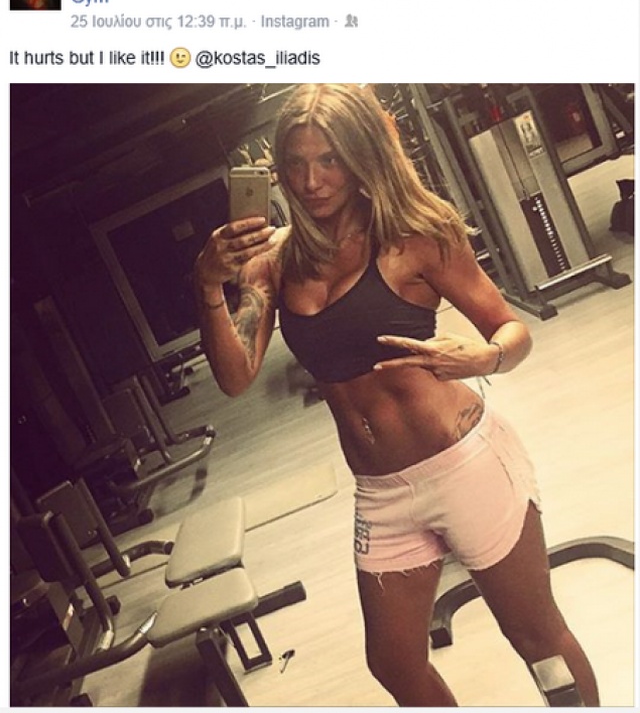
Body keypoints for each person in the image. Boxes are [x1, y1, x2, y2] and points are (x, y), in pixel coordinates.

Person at [194, 83, 599, 706]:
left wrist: (483, 357)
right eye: (297, 164)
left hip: (464, 466)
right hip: (382, 492)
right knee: (393, 664)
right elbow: (235, 376)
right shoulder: (272, 261)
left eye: (329, 160)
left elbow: (511, 331)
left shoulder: (415, 236)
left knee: (536, 638)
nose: (311, 180)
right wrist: (206, 284)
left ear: (360, 155)